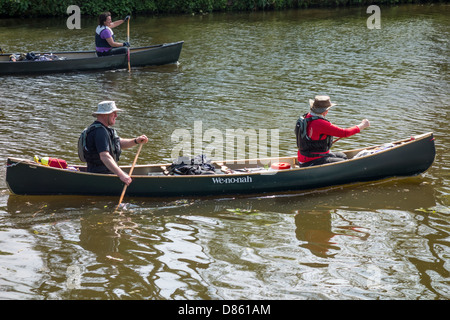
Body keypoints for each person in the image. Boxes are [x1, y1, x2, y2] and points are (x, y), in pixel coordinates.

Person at [84, 101, 148, 186]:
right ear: (105, 114)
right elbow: (104, 156)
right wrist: (121, 175)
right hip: (101, 175)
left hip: (105, 172)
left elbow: (119, 143)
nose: (116, 116)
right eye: (114, 113)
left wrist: (136, 141)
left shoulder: (104, 129)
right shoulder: (99, 131)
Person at [295, 95, 370, 167]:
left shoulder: (306, 117)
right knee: (344, 163)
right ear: (326, 111)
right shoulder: (320, 123)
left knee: (343, 156)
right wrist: (362, 125)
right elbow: (344, 133)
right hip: (311, 161)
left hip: (304, 157)